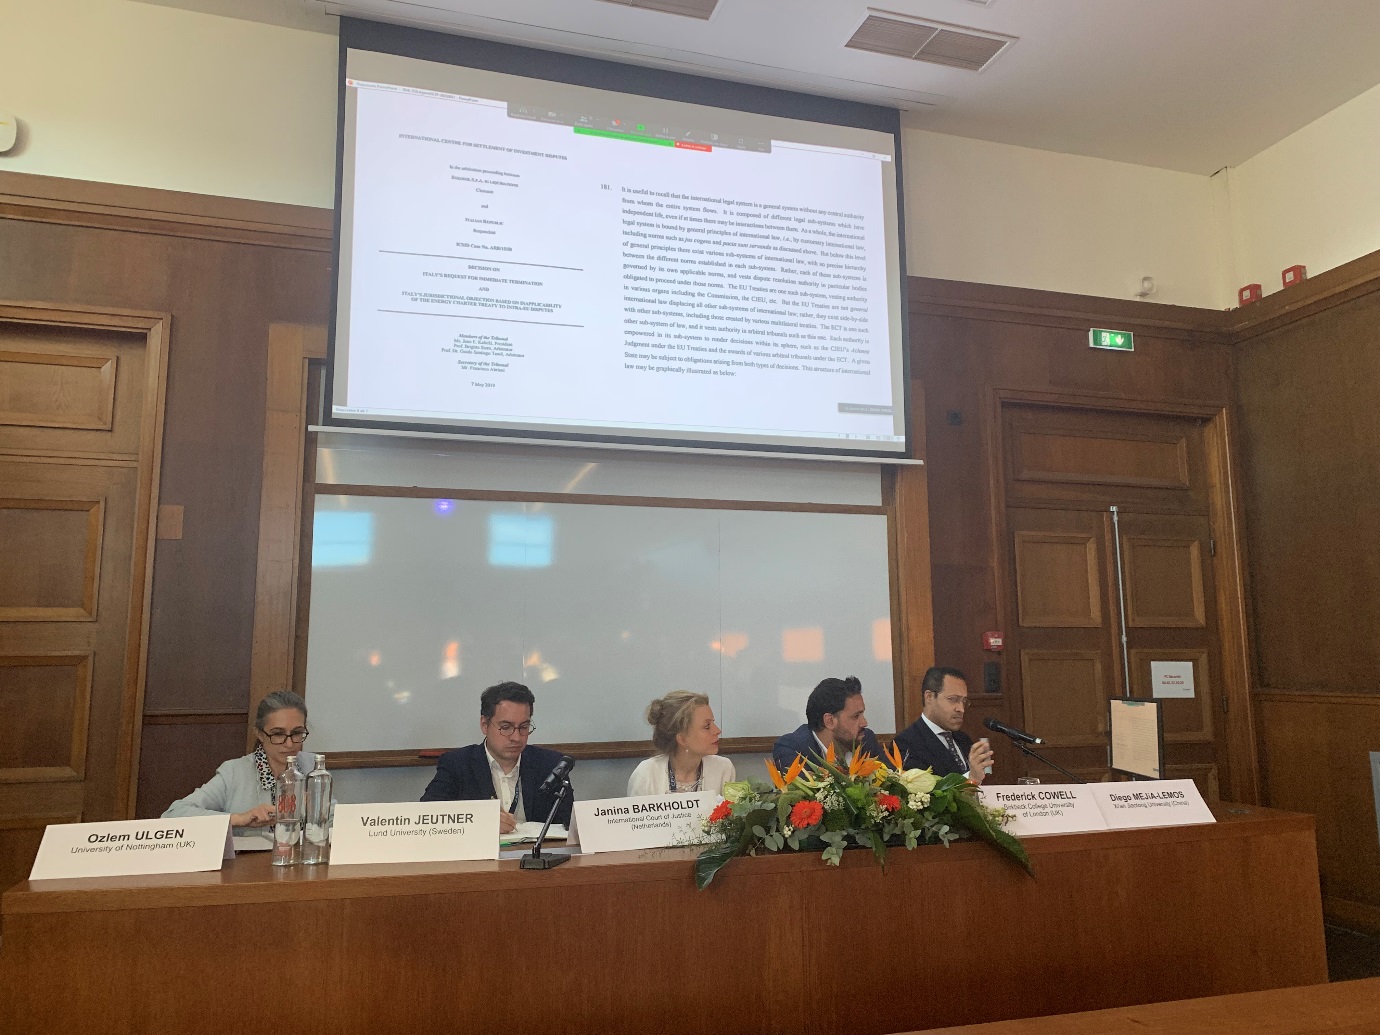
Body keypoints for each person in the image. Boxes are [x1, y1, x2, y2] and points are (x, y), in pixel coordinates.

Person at [421, 681, 574, 833]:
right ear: (484, 725)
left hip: (536, 848)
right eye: (506, 727)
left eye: (524, 727)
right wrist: (483, 820)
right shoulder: (457, 764)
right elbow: (427, 815)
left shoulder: (551, 765)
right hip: (481, 847)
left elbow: (569, 824)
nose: (516, 737)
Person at [163, 689, 309, 834]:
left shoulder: (313, 768)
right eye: (278, 734)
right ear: (260, 734)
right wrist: (239, 819)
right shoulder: (234, 772)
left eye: (297, 733)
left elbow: (324, 825)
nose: (289, 744)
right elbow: (173, 814)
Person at [892, 666, 994, 785]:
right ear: (929, 697)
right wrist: (970, 778)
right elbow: (925, 792)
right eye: (953, 699)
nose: (961, 709)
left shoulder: (963, 739)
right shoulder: (906, 744)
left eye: (964, 701)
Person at [626, 691, 735, 796]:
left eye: (713, 723)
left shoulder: (723, 768)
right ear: (682, 739)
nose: (718, 731)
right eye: (707, 726)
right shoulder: (646, 774)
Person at [772, 675, 885, 770]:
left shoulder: (866, 739)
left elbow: (890, 780)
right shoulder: (792, 748)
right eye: (856, 716)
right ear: (830, 721)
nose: (864, 723)